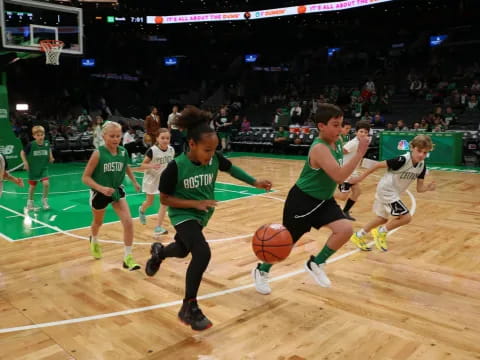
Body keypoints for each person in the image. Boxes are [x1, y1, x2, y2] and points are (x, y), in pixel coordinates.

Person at [145, 105, 272, 330]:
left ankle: (159, 253)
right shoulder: (176, 168)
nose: (211, 155)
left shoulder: (213, 159)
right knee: (202, 252)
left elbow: (231, 169)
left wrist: (255, 182)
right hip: (183, 214)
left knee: (183, 249)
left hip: (202, 214)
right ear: (191, 144)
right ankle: (189, 306)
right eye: (207, 150)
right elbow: (164, 199)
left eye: (214, 150)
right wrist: (194, 203)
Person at [252, 104, 368, 295]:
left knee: (345, 229)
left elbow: (341, 158)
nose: (339, 129)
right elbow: (339, 176)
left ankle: (316, 263)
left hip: (323, 200)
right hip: (302, 201)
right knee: (285, 243)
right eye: (335, 125)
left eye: (341, 125)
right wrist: (360, 153)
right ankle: (261, 271)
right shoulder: (319, 148)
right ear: (321, 126)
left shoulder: (337, 141)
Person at [349, 134, 435, 251]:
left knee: (382, 219)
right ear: (412, 148)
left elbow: (419, 189)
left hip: (393, 192)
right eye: (419, 150)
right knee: (406, 217)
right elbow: (378, 165)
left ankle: (358, 236)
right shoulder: (402, 160)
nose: (421, 155)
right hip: (386, 190)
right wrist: (360, 178)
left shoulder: (422, 166)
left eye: (425, 153)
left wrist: (428, 188)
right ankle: (381, 231)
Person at [82, 121, 142, 270]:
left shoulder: (123, 151)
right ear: (103, 136)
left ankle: (128, 257)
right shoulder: (98, 154)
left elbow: (126, 166)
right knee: (98, 223)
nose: (116, 139)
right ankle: (94, 239)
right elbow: (85, 178)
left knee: (128, 222)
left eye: (118, 136)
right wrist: (101, 188)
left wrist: (134, 181)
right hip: (99, 193)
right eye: (112, 136)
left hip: (116, 190)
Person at [138, 128, 175, 237]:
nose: (165, 140)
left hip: (164, 180)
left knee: (164, 203)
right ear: (157, 138)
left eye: (167, 138)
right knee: (149, 202)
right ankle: (141, 209)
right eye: (162, 138)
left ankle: (158, 227)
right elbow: (141, 166)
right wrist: (151, 165)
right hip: (151, 180)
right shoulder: (152, 150)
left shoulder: (171, 150)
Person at [336, 120, 371, 221]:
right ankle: (323, 195)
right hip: (345, 172)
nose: (363, 134)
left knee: (357, 192)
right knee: (343, 196)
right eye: (361, 131)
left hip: (352, 172)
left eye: (365, 132)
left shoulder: (363, 142)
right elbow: (342, 151)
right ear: (356, 132)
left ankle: (345, 211)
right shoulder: (354, 142)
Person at [20, 125, 54, 211]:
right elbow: (22, 153)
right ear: (34, 136)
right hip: (33, 169)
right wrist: (25, 162)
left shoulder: (46, 143)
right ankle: (30, 203)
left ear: (44, 135)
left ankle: (45, 201)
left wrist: (51, 157)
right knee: (32, 187)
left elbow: (48, 149)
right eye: (38, 135)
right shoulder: (30, 145)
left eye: (42, 135)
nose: (40, 137)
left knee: (46, 184)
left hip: (43, 168)